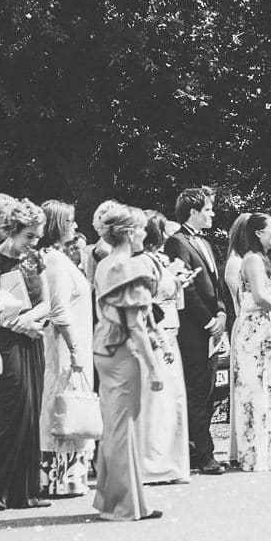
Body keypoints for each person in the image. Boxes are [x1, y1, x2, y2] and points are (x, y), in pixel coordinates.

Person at [90, 205, 167, 521]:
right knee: (125, 428)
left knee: (114, 425)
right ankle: (125, 505)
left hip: (103, 349)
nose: (146, 234)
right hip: (123, 352)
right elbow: (135, 325)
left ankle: (112, 501)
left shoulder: (105, 264)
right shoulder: (130, 269)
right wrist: (154, 367)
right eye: (141, 229)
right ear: (129, 232)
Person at [0, 198, 51, 510]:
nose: (32, 243)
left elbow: (48, 301)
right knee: (10, 411)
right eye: (28, 236)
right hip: (5, 343)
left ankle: (25, 490)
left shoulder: (35, 259)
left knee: (32, 410)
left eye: (36, 237)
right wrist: (21, 326)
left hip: (32, 341)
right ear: (12, 231)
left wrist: (32, 320)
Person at [227, 213, 271, 471]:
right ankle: (257, 453)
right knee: (258, 387)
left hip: (270, 329)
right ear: (258, 233)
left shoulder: (267, 259)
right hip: (256, 330)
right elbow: (259, 295)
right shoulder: (252, 259)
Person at [166, 186, 228, 475]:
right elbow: (186, 289)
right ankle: (204, 455)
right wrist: (208, 321)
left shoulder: (203, 242)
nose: (212, 213)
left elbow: (214, 284)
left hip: (212, 323)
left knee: (209, 390)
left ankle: (199, 450)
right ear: (193, 212)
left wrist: (222, 312)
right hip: (193, 330)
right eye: (208, 209)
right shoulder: (176, 242)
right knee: (197, 390)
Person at [36, 200, 95, 497]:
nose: (74, 226)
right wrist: (74, 350)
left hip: (75, 341)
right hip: (63, 346)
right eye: (70, 221)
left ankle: (68, 473)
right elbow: (59, 311)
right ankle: (58, 476)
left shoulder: (59, 258)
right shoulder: (55, 262)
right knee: (62, 406)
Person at [141, 211, 191, 483]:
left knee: (173, 400)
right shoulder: (146, 262)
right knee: (158, 400)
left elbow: (176, 301)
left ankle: (172, 462)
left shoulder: (162, 261)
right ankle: (154, 463)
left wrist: (179, 281)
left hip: (172, 329)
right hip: (158, 334)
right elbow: (147, 303)